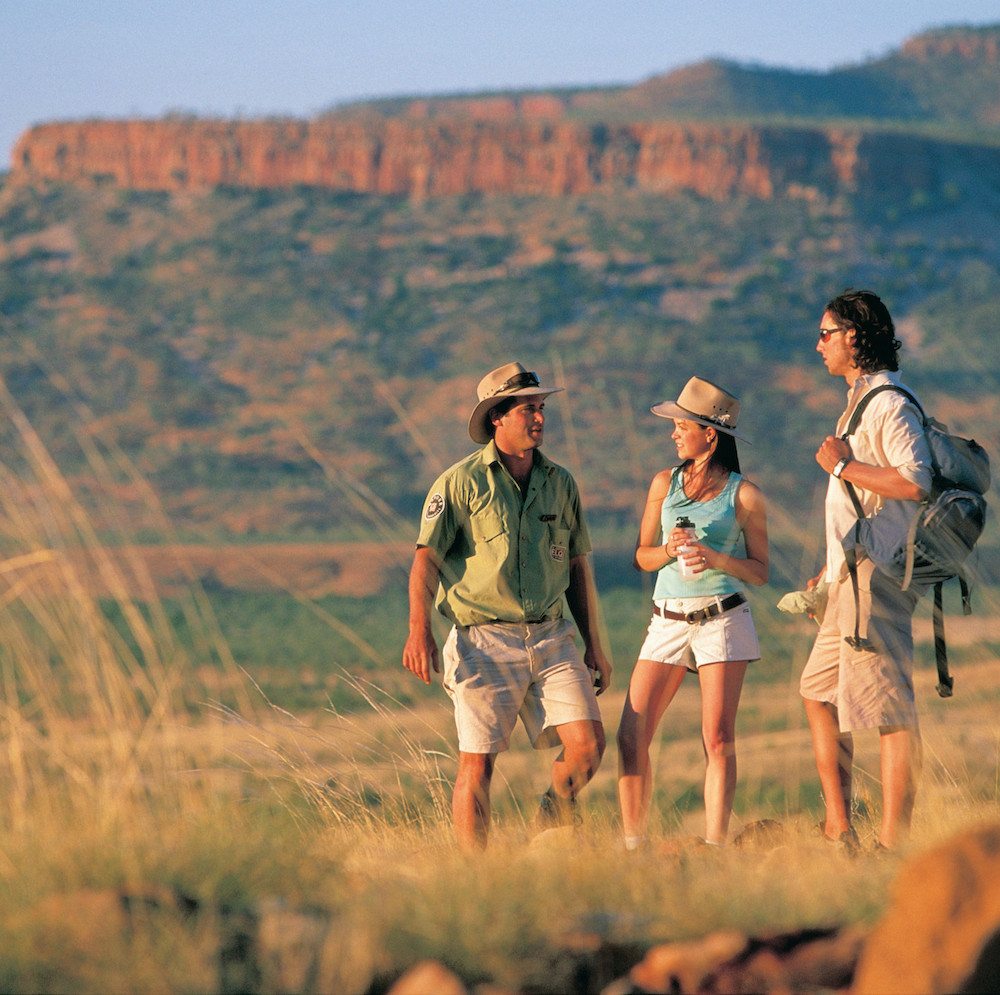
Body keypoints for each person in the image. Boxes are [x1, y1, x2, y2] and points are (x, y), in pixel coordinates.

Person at [402, 361, 612, 850]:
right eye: (527, 410)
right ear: (497, 417)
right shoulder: (459, 483)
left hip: (552, 634)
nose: (539, 418)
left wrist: (594, 645)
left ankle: (553, 810)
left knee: (588, 748)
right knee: (477, 763)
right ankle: (475, 873)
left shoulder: (561, 483)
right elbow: (424, 561)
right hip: (482, 640)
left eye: (541, 409)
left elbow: (578, 568)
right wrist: (419, 630)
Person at [800, 289, 932, 854]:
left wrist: (846, 465)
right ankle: (840, 825)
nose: (818, 344)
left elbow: (916, 481)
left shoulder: (887, 404)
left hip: (877, 577)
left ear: (855, 335)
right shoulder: (858, 403)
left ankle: (890, 844)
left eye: (826, 333)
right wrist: (827, 571)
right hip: (850, 577)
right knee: (818, 692)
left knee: (890, 709)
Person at [616, 377, 769, 849]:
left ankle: (715, 846)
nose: (674, 434)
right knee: (630, 734)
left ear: (711, 435)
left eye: (682, 426)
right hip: (667, 618)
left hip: (722, 617)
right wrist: (667, 550)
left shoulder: (744, 495)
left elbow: (760, 571)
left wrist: (715, 557)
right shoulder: (664, 483)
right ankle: (634, 845)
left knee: (717, 739)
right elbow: (642, 556)